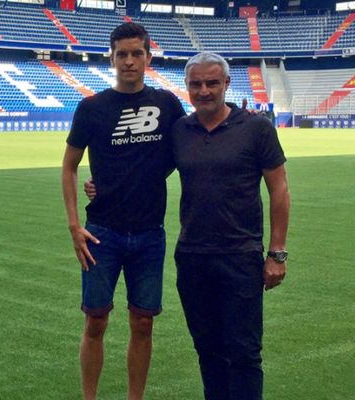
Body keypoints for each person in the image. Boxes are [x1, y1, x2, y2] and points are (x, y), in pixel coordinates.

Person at [61, 22, 186, 400]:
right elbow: (68, 166)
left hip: (149, 233)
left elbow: (181, 155)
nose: (129, 61)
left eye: (137, 54)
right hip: (101, 233)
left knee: (143, 322)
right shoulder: (92, 108)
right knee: (95, 320)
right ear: (111, 59)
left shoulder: (166, 104)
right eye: (122, 55)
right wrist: (74, 226)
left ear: (148, 56)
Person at [172, 52, 290, 400]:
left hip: (240, 257)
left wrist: (277, 254)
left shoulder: (256, 128)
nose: (204, 90)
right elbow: (147, 174)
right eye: (196, 84)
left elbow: (279, 189)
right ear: (188, 87)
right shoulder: (180, 130)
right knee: (208, 351)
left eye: (212, 83)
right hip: (192, 257)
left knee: (244, 353)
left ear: (226, 84)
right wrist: (100, 186)